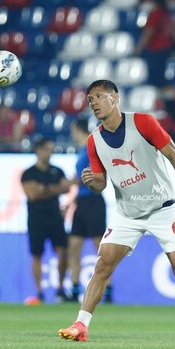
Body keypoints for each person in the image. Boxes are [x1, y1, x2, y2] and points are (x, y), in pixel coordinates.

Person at [58, 79, 175, 343]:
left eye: (99, 96)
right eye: (90, 100)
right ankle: (81, 324)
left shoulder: (143, 123)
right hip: (127, 213)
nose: (94, 103)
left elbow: (174, 156)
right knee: (102, 265)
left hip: (163, 208)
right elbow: (101, 184)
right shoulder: (94, 142)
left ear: (115, 97)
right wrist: (92, 182)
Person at [21, 137, 74, 304]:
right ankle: (39, 292)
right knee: (37, 254)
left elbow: (67, 188)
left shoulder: (57, 171)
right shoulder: (28, 173)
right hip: (36, 218)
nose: (50, 153)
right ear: (38, 150)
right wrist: (55, 189)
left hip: (55, 216)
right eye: (47, 149)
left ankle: (60, 289)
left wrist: (43, 189)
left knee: (63, 251)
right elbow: (32, 194)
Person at [67, 119, 110, 303]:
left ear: (75, 128)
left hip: (94, 201)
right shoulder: (82, 149)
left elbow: (96, 175)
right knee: (74, 247)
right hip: (82, 202)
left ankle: (107, 290)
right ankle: (75, 289)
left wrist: (73, 182)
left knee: (100, 248)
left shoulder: (92, 146)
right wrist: (71, 203)